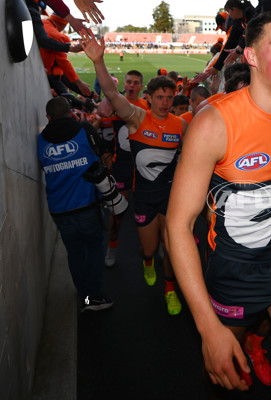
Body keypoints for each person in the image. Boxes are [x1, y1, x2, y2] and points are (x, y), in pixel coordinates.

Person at [165, 11, 271, 399]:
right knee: (226, 378)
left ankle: (256, 342)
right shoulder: (214, 124)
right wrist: (207, 328)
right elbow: (177, 226)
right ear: (251, 57)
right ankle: (239, 340)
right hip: (234, 271)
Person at [80, 30, 188, 316]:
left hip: (170, 197)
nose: (165, 102)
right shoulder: (138, 118)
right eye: (160, 97)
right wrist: (98, 62)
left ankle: (169, 289)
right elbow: (112, 94)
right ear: (148, 98)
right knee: (149, 250)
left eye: (169, 97)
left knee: (172, 247)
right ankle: (148, 262)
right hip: (144, 197)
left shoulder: (181, 125)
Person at [37, 96, 113, 312]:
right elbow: (101, 154)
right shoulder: (85, 130)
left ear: (48, 117)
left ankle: (85, 297)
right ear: (70, 112)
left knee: (76, 253)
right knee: (95, 248)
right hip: (87, 204)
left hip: (59, 209)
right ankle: (93, 297)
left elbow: (44, 168)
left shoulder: (41, 140)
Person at [103, 70, 149, 268]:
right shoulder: (114, 105)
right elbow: (103, 124)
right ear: (124, 83)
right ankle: (112, 246)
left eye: (135, 83)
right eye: (128, 82)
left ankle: (152, 247)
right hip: (121, 166)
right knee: (118, 211)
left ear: (141, 86)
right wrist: (106, 155)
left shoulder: (147, 107)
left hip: (143, 167)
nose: (131, 86)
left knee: (147, 210)